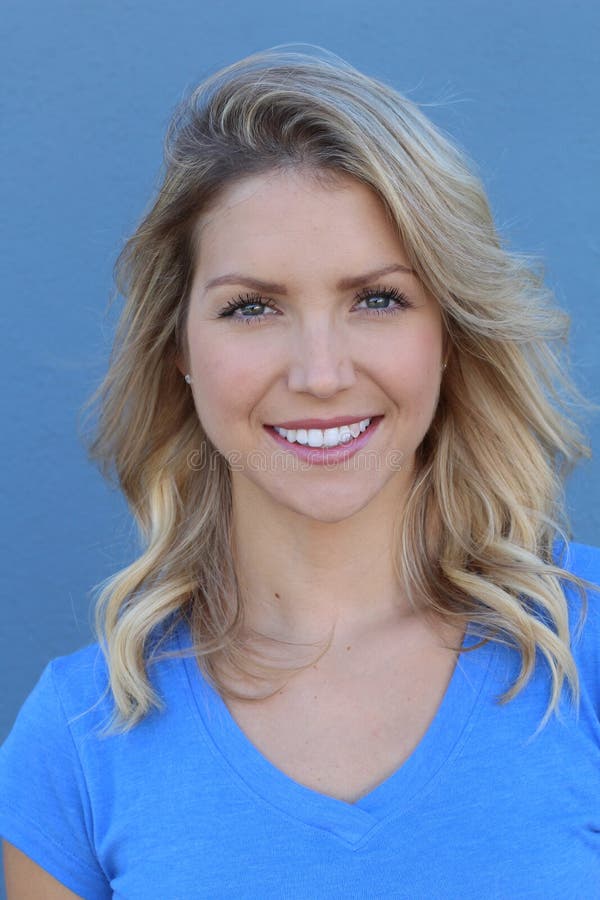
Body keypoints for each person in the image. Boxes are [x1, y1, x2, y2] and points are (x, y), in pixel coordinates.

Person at [1, 44, 599, 898]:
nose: (320, 373)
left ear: (450, 334)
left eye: (378, 299)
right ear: (179, 348)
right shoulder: (76, 741)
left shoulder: (583, 654)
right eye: (252, 308)